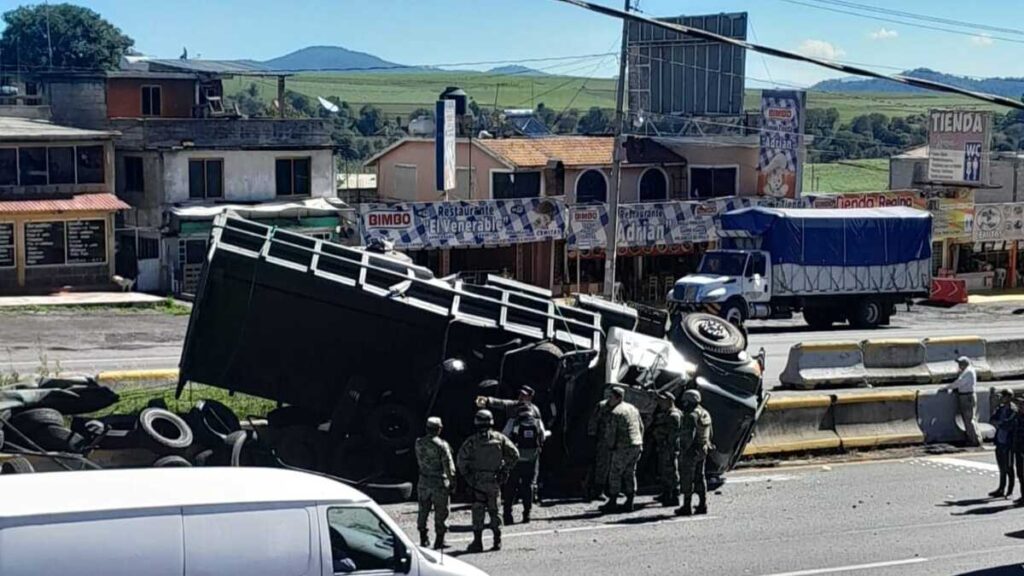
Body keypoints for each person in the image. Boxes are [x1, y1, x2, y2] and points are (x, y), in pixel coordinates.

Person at [457, 409, 519, 553]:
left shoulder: (471, 442)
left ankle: (477, 542)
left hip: (477, 482)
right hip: (494, 480)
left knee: (478, 511)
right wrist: (505, 469)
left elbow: (461, 460)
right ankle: (497, 541)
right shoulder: (500, 438)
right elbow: (515, 454)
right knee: (495, 511)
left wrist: (468, 477)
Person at [600, 386, 644, 514]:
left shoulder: (616, 412)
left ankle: (612, 501)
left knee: (615, 473)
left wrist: (610, 446)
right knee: (630, 473)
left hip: (623, 447)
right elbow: (641, 426)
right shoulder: (633, 408)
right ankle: (630, 501)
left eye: (611, 397)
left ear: (618, 397)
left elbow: (611, 434)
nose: (609, 400)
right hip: (636, 444)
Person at [501, 400, 546, 524]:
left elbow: (504, 437)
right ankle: (527, 514)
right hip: (531, 459)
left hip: (515, 460)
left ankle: (507, 515)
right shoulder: (537, 422)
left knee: (510, 486)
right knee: (528, 486)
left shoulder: (513, 422)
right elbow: (542, 437)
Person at [414, 416, 455, 549]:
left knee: (423, 510)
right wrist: (452, 481)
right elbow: (449, 466)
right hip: (439, 482)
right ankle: (439, 539)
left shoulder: (418, 442)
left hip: (424, 481)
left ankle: (423, 537)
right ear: (439, 429)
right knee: (441, 511)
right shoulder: (442, 445)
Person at [676, 389, 714, 517]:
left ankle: (687, 506)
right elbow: (711, 432)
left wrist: (682, 450)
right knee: (700, 476)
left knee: (687, 477)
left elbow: (689, 436)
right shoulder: (705, 413)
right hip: (703, 448)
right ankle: (703, 504)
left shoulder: (691, 415)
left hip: (692, 450)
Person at [648, 391, 683, 507]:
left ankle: (674, 495)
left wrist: (663, 439)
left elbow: (673, 433)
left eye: (663, 400)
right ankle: (666, 493)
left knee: (671, 472)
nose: (660, 403)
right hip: (663, 447)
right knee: (663, 471)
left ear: (670, 401)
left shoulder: (674, 415)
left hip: (669, 448)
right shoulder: (667, 413)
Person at [945, 356, 980, 447]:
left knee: (969, 419)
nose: (959, 365)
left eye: (961, 363)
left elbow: (959, 383)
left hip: (967, 396)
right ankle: (973, 438)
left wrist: (947, 387)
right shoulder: (967, 371)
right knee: (969, 419)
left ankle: (974, 440)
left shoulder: (968, 372)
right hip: (966, 396)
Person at [586, 391, 613, 501]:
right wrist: (592, 436)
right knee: (602, 465)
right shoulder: (602, 406)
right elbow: (594, 421)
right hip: (603, 440)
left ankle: (612, 489)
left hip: (615, 440)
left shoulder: (620, 407)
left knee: (613, 466)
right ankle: (598, 491)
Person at [991, 389, 1017, 499]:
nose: (1001, 398)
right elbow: (992, 420)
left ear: (1009, 397)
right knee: (1002, 467)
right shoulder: (1000, 409)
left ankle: (1009, 490)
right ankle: (1001, 488)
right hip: (1000, 440)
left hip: (1008, 442)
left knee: (1009, 467)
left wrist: (1000, 423)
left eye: (1003, 396)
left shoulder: (1013, 410)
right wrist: (1000, 423)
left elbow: (1009, 425)